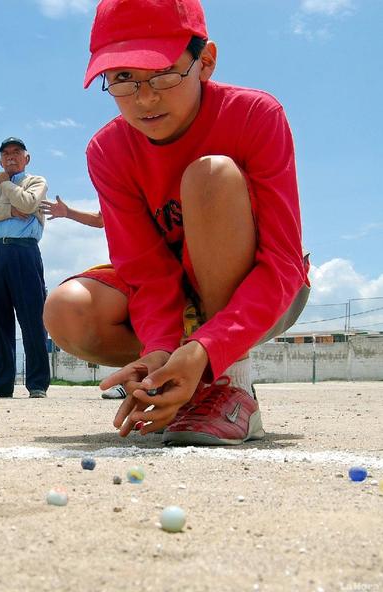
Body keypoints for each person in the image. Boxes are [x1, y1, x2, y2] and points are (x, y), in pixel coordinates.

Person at [44, 0, 310, 445]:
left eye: (164, 73)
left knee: (210, 176)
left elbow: (282, 262)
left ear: (205, 61)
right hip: (175, 301)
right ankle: (179, 383)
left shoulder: (254, 115)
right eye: (123, 78)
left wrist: (208, 349)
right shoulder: (107, 152)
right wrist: (160, 351)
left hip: (266, 289)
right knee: (67, 309)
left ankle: (231, 384)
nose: (144, 98)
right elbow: (145, 272)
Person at [0, 137, 50, 399]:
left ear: (26, 158)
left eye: (16, 152)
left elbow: (27, 205)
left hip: (23, 251)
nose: (10, 157)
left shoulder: (36, 182)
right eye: (5, 153)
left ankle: (37, 383)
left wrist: (6, 185)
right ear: (0, 160)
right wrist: (8, 210)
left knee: (32, 318)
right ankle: (1, 382)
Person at [40, 195, 127, 400]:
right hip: (135, 270)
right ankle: (136, 377)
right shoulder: (125, 182)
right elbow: (100, 219)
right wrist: (68, 212)